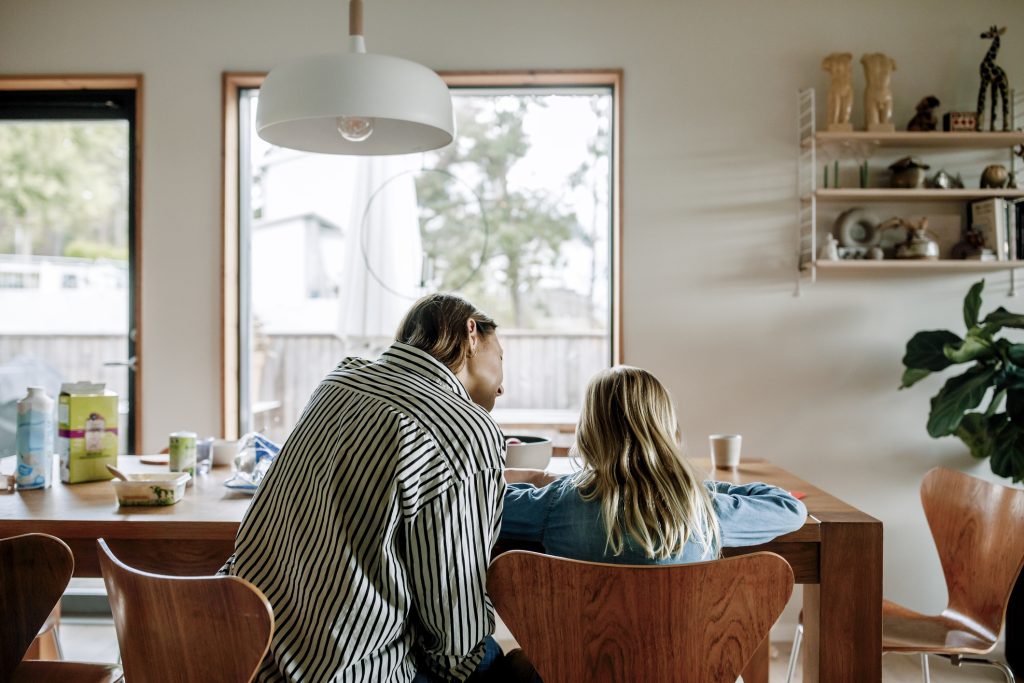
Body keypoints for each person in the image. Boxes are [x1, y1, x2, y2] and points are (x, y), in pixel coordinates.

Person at [223, 293, 508, 682]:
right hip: (345, 671)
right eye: (501, 357)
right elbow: (453, 623)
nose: (502, 387)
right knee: (494, 659)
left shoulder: (338, 380)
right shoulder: (466, 429)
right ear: (471, 333)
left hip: (242, 651)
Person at [501, 365, 807, 565]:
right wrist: (695, 487)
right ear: (666, 429)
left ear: (589, 431)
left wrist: (540, 481)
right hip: (686, 651)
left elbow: (481, 503)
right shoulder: (702, 508)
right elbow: (790, 508)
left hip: (574, 650)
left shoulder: (555, 505)